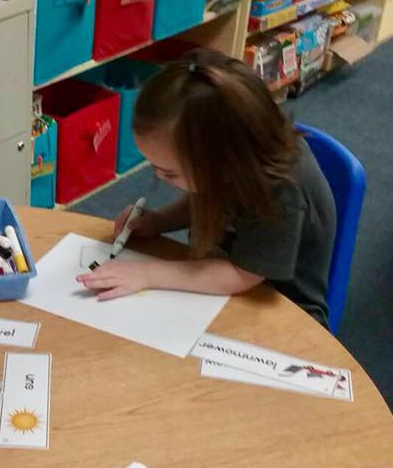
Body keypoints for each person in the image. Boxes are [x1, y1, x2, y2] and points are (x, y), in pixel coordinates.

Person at [77, 48, 336, 327]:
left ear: (221, 159)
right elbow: (208, 196)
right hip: (223, 279)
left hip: (282, 312)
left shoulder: (280, 191)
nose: (159, 176)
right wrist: (159, 221)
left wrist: (148, 273)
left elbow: (243, 274)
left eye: (169, 172)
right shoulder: (232, 159)